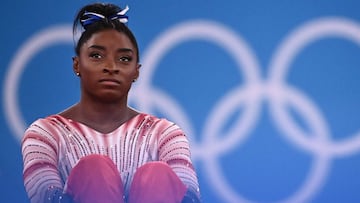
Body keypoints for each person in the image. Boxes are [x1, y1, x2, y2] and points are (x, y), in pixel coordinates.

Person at [21, 2, 201, 203]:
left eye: (124, 59)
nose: (111, 67)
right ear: (77, 64)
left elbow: (189, 195)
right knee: (93, 170)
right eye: (96, 56)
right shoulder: (45, 133)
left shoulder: (165, 134)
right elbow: (45, 195)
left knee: (157, 174)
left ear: (136, 71)